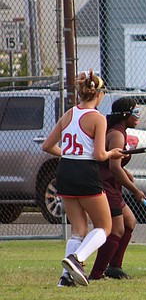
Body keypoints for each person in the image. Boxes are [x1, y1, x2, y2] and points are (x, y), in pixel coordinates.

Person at [41, 70, 124, 287]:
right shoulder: (98, 118)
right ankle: (76, 259)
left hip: (65, 171)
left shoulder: (69, 114)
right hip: (86, 172)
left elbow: (47, 146)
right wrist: (112, 154)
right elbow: (99, 155)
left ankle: (65, 278)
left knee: (78, 229)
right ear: (99, 94)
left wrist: (70, 155)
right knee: (105, 227)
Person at [88, 97, 146, 280]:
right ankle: (97, 273)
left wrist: (124, 171)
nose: (138, 117)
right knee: (116, 230)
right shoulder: (117, 134)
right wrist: (135, 190)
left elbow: (113, 163)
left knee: (130, 222)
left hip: (112, 184)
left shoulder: (119, 132)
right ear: (125, 114)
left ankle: (114, 267)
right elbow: (113, 167)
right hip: (105, 185)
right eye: (136, 113)